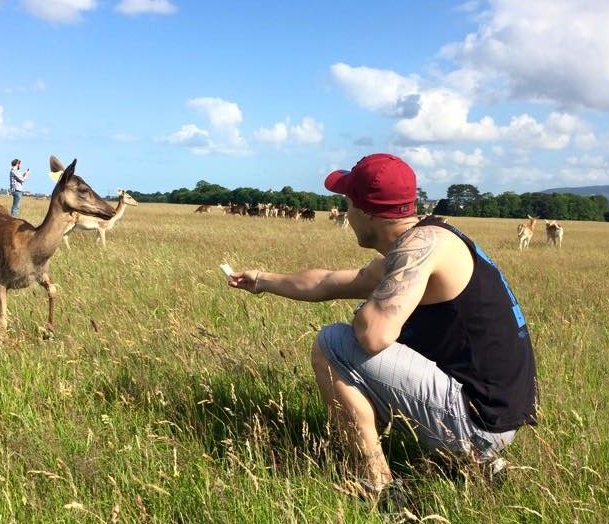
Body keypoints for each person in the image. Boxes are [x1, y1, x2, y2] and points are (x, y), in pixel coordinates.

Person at [228, 153, 537, 505]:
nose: (345, 212)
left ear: (367, 212)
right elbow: (330, 282)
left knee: (333, 342)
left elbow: (374, 334)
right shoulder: (425, 241)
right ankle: (476, 465)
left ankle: (377, 484)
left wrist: (365, 309)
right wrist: (263, 280)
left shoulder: (420, 249)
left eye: (348, 202)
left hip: (479, 421)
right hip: (496, 413)